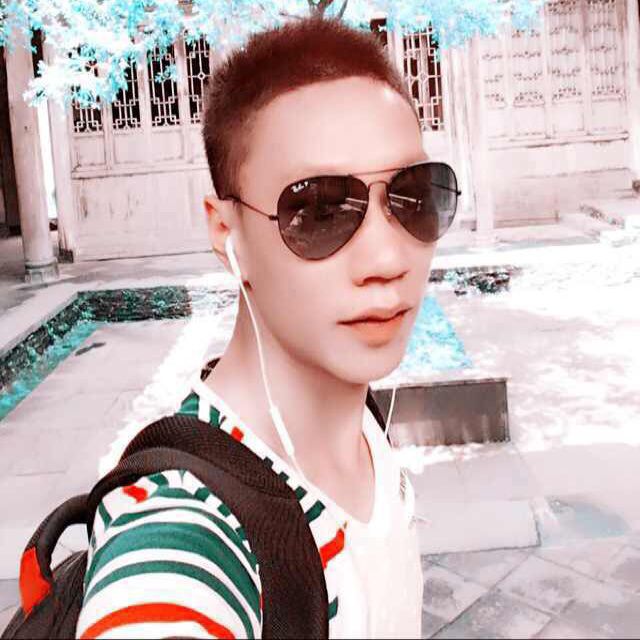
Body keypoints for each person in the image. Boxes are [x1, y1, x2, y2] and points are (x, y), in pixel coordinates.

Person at [75, 15, 459, 639]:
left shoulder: (362, 426)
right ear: (226, 233)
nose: (388, 258)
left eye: (412, 195)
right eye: (318, 210)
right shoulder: (185, 526)